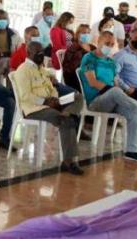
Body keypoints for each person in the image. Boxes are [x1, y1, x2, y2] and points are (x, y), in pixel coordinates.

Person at [10, 41, 85, 175]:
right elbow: (25, 95)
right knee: (66, 121)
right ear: (28, 53)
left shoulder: (42, 69)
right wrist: (45, 101)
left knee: (78, 97)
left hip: (51, 104)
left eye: (42, 53)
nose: (40, 56)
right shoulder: (23, 70)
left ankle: (69, 113)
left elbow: (52, 88)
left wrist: (55, 98)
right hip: (34, 109)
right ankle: (69, 162)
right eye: (37, 53)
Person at [79, 31, 137, 163]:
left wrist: (121, 91)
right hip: (96, 101)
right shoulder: (89, 58)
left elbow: (116, 82)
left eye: (112, 44)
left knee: (133, 112)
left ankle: (132, 151)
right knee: (116, 92)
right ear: (98, 41)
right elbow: (93, 82)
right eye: (107, 43)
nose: (109, 46)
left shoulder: (111, 61)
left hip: (113, 99)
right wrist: (114, 91)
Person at [60, 24, 93, 91]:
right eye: (84, 33)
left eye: (88, 33)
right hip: (75, 77)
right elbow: (69, 69)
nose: (86, 35)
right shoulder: (74, 48)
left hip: (91, 74)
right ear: (78, 34)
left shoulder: (92, 47)